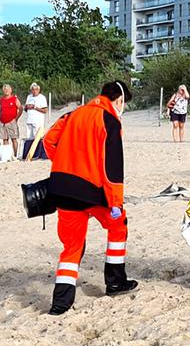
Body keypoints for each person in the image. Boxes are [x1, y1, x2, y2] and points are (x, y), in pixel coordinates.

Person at [43, 80, 137, 315]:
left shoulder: (72, 114)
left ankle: (60, 304)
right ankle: (115, 282)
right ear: (119, 100)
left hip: (63, 188)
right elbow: (112, 167)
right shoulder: (109, 119)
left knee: (72, 245)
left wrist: (65, 164)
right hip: (92, 191)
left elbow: (48, 141)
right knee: (118, 224)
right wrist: (115, 201)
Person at [0, 84, 23, 158]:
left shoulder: (14, 99)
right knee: (5, 139)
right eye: (5, 89)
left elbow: (20, 108)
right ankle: (7, 156)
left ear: (10, 90)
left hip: (12, 121)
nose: (6, 90)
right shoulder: (1, 99)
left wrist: (16, 118)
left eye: (7, 89)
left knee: (14, 138)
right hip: (3, 122)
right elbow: (0, 110)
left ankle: (15, 155)